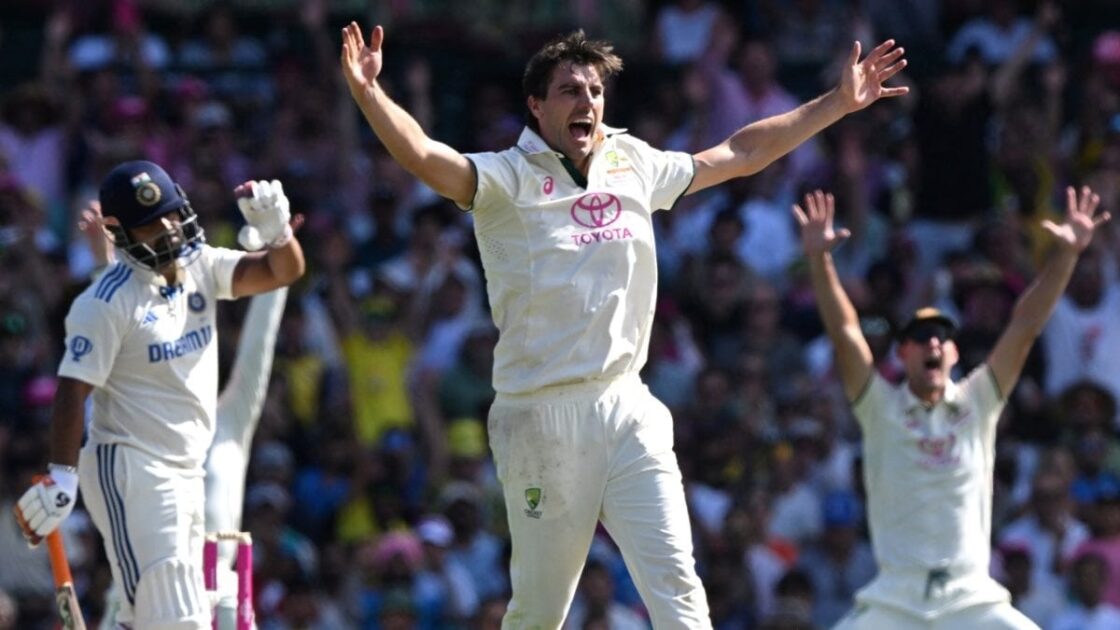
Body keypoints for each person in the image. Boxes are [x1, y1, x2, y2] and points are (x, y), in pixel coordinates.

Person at [341, 22, 907, 628]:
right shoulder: (505, 177)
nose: (586, 101)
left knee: (679, 592)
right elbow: (426, 157)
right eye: (568, 91)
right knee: (539, 611)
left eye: (594, 90)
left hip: (627, 405)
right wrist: (371, 94)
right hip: (540, 415)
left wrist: (837, 104)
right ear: (535, 105)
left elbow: (741, 153)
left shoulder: (632, 161)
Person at [791, 187, 1109, 629]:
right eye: (921, 338)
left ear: (955, 354)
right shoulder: (878, 405)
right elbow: (845, 331)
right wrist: (820, 260)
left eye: (941, 337)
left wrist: (1068, 256)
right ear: (902, 354)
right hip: (893, 600)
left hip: (972, 598)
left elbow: (1025, 323)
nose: (933, 344)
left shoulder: (980, 399)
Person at [13, 159, 305, 629]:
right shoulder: (106, 301)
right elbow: (72, 388)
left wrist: (278, 234)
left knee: (154, 616)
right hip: (132, 468)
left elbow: (279, 272)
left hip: (188, 469)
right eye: (150, 224)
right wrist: (62, 477)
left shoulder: (202, 265)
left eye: (170, 214)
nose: (168, 230)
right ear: (118, 230)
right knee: (178, 618)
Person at [74, 201, 295, 629]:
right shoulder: (138, 421)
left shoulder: (231, 423)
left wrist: (278, 241)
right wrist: (102, 260)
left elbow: (259, 343)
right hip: (142, 595)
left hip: (217, 601)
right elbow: (113, 344)